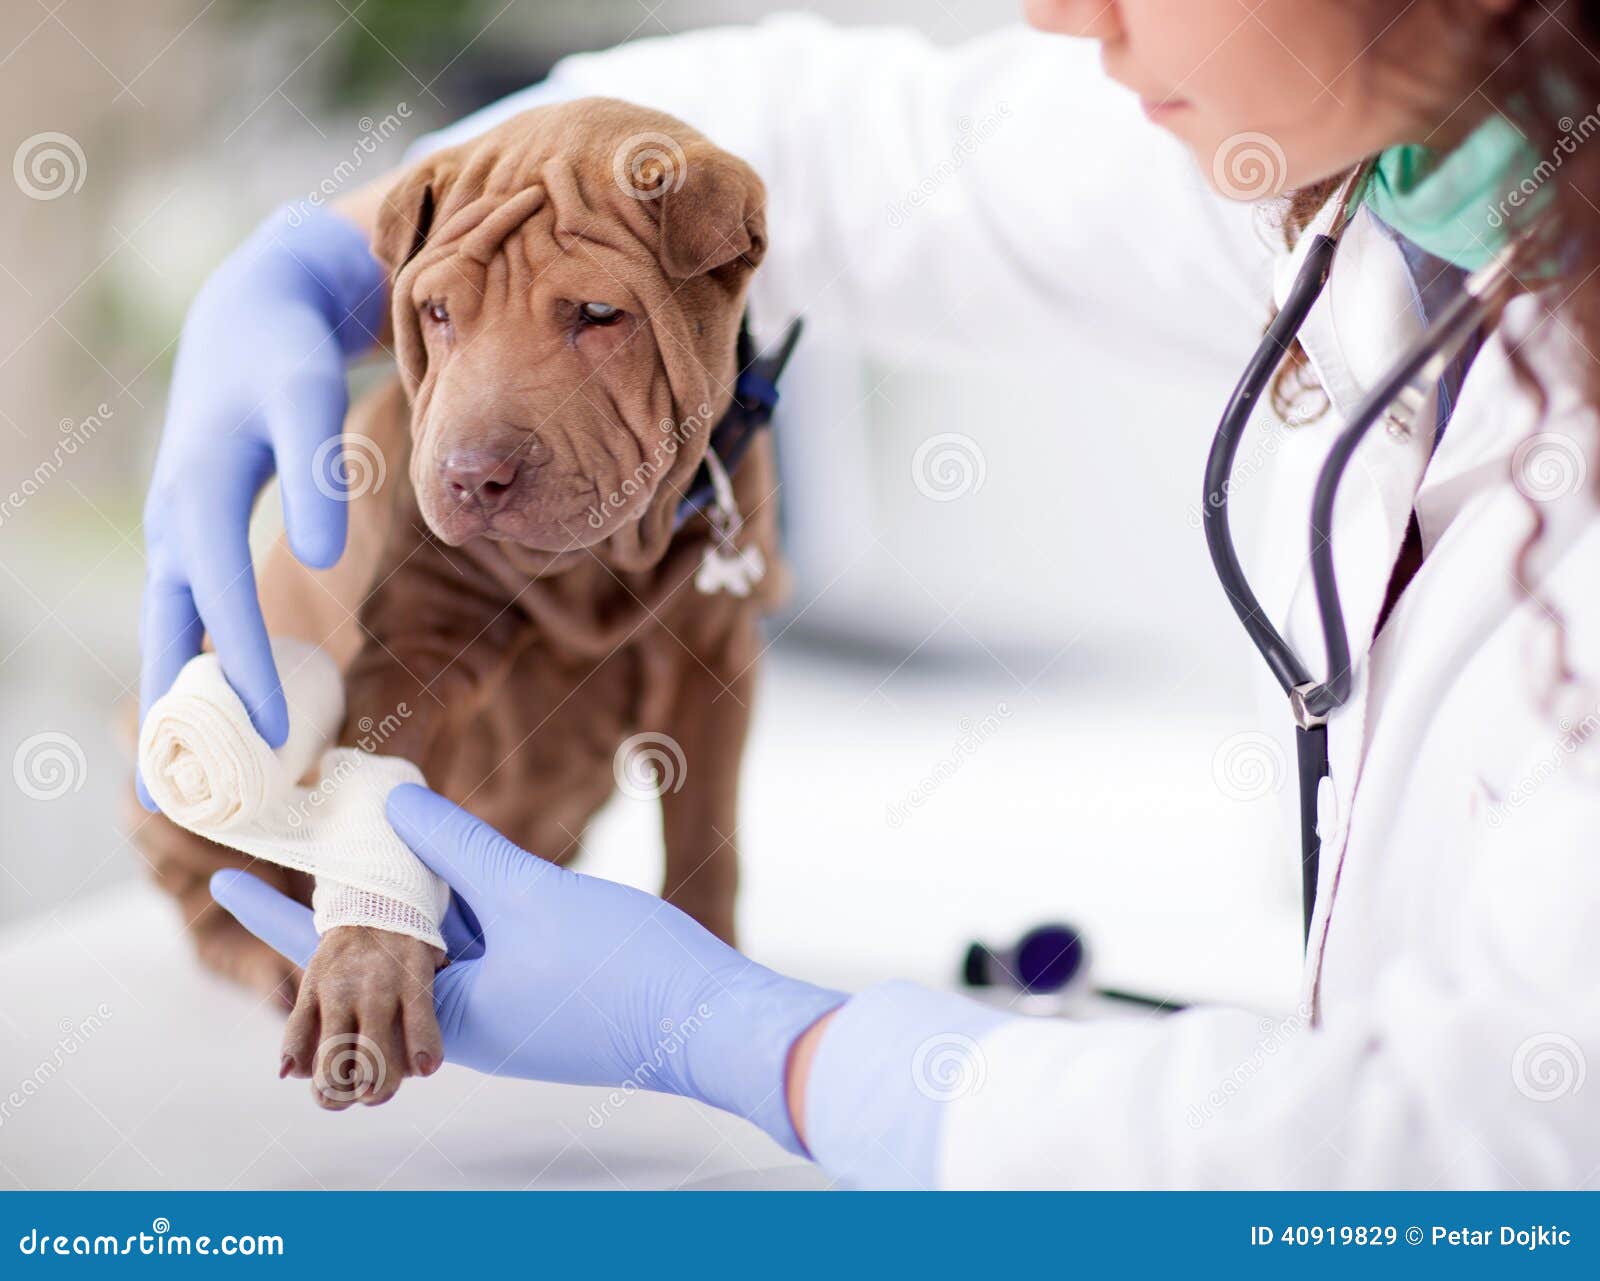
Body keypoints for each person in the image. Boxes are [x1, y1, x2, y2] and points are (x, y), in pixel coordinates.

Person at [149, 1, 1600, 1187]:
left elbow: (1490, 1156)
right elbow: (858, 153)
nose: (1059, 14)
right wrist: (335, 254)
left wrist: (758, 1044)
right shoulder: (1399, 174)